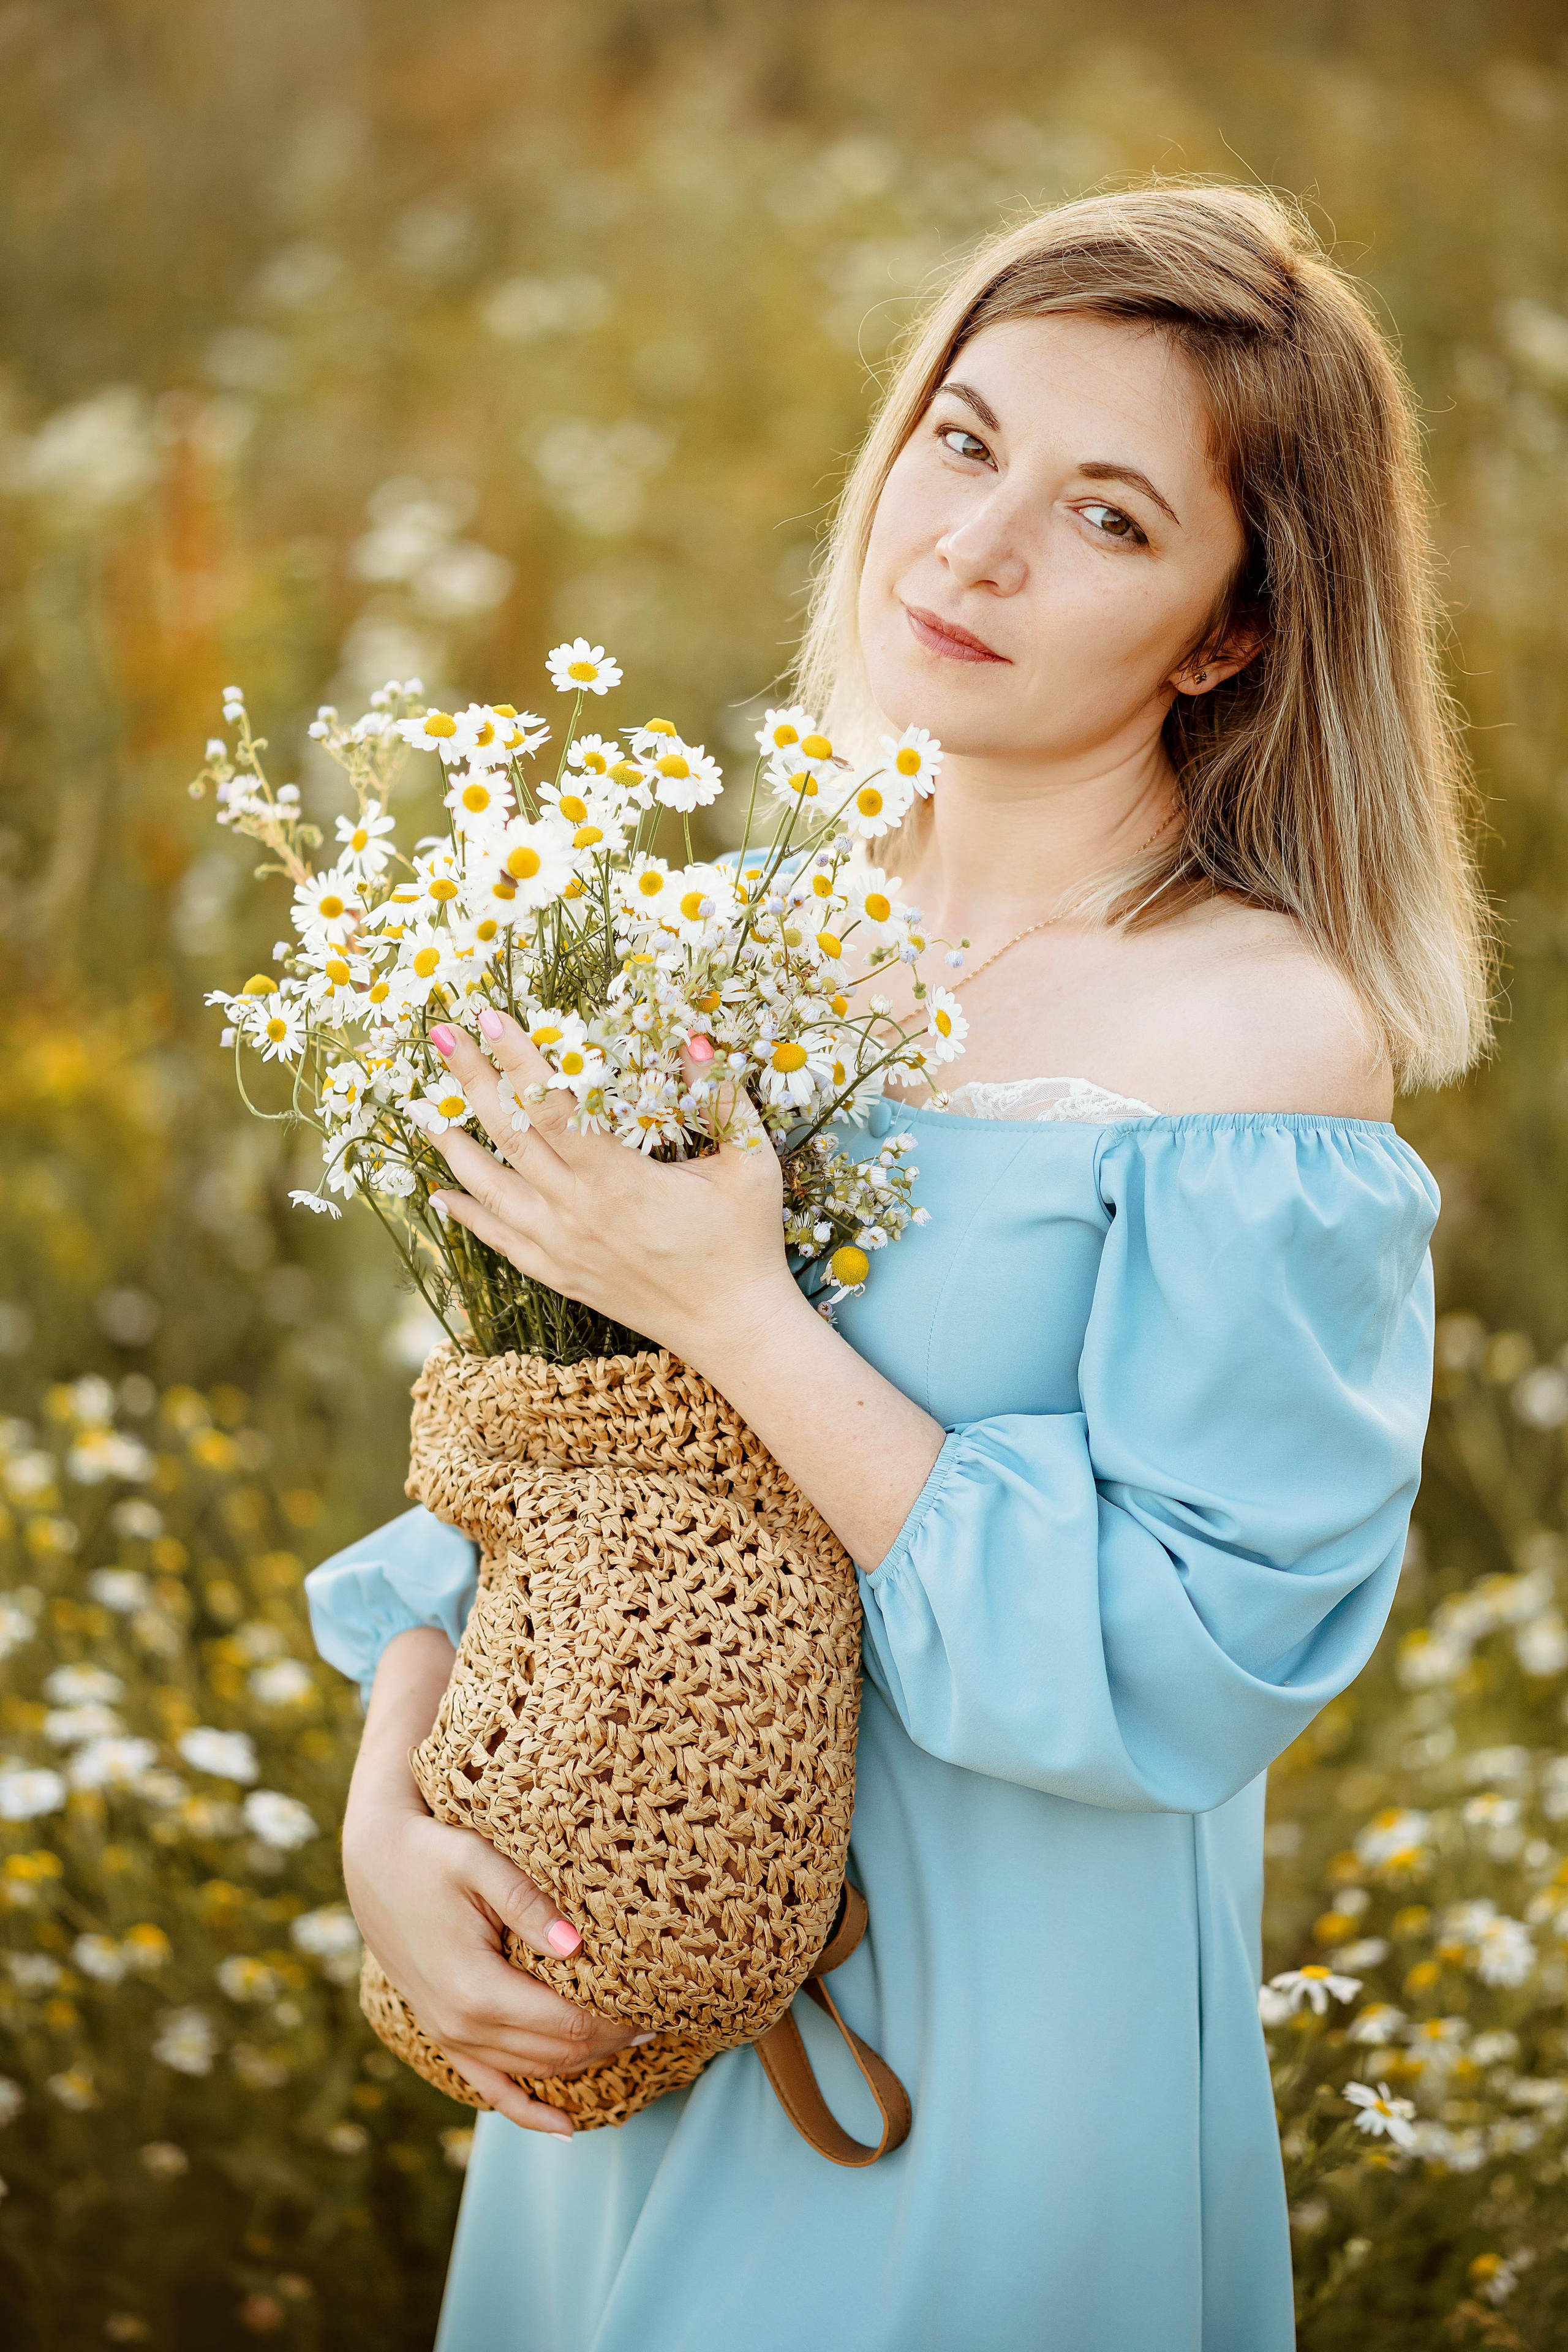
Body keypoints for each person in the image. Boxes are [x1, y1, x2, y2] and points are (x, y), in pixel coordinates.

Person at [306, 181, 1492, 2350]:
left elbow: (1198, 1659)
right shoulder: (741, 930)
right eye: (965, 441)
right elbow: (524, 1449)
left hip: (988, 2055)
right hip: (618, 1977)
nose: (974, 547)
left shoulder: (1253, 1042)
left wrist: (742, 1314)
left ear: (1232, 628)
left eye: (1113, 517)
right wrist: (389, 1813)